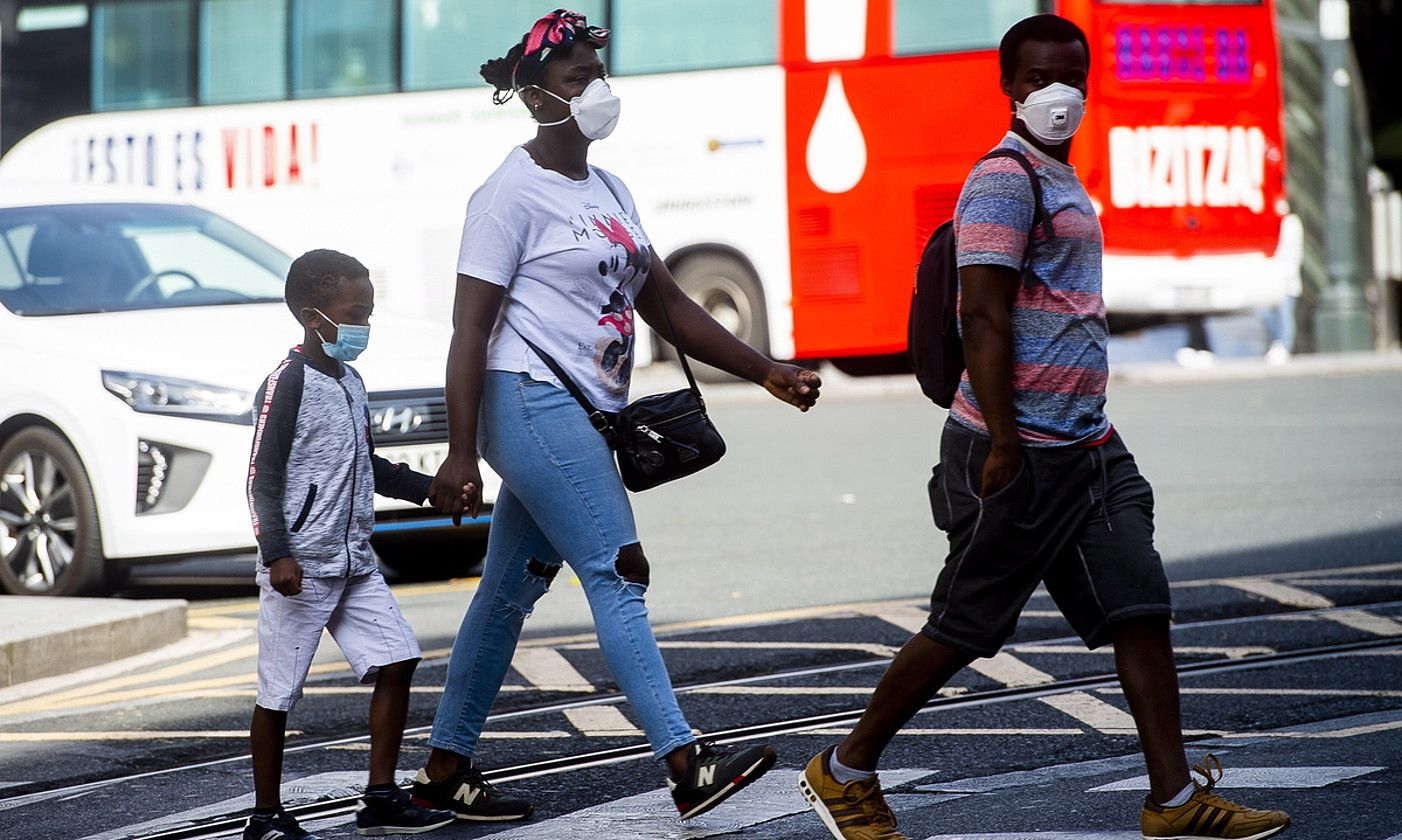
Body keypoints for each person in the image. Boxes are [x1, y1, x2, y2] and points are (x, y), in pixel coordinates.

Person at [799, 15, 1290, 840]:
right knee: (966, 626)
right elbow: (982, 316)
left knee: (1139, 603)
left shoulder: (1061, 177)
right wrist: (1001, 440)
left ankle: (1173, 802)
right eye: (1035, 79)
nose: (1055, 93)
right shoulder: (1002, 178)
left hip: (1088, 446)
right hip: (1016, 450)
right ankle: (845, 771)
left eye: (1070, 75)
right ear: (1008, 86)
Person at [414, 8, 822, 823]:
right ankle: (684, 761)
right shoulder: (506, 196)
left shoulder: (609, 188)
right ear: (536, 98)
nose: (597, 90)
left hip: (578, 409)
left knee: (507, 594)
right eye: (577, 79)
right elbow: (469, 328)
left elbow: (666, 301)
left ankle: (443, 770)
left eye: (598, 75)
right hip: (524, 398)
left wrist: (765, 369)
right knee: (618, 567)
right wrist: (462, 451)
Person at [243, 249, 458, 840]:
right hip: (302, 567)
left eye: (368, 310)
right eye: (355, 312)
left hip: (355, 562)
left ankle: (381, 796)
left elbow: (368, 465)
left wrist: (430, 491)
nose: (365, 324)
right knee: (278, 694)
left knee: (397, 658)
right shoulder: (287, 382)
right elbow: (262, 476)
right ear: (314, 316)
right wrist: (278, 553)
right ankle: (265, 817)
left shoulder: (351, 379)